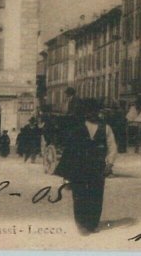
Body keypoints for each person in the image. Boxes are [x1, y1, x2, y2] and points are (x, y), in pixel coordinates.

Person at [54, 99, 118, 235]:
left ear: (98, 112)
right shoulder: (77, 128)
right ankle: (81, 224)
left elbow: (112, 147)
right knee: (79, 195)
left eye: (95, 111)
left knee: (96, 195)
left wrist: (110, 163)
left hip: (97, 167)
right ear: (85, 113)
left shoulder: (106, 128)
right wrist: (67, 176)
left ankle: (93, 223)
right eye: (90, 111)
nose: (93, 114)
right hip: (79, 167)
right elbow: (70, 150)